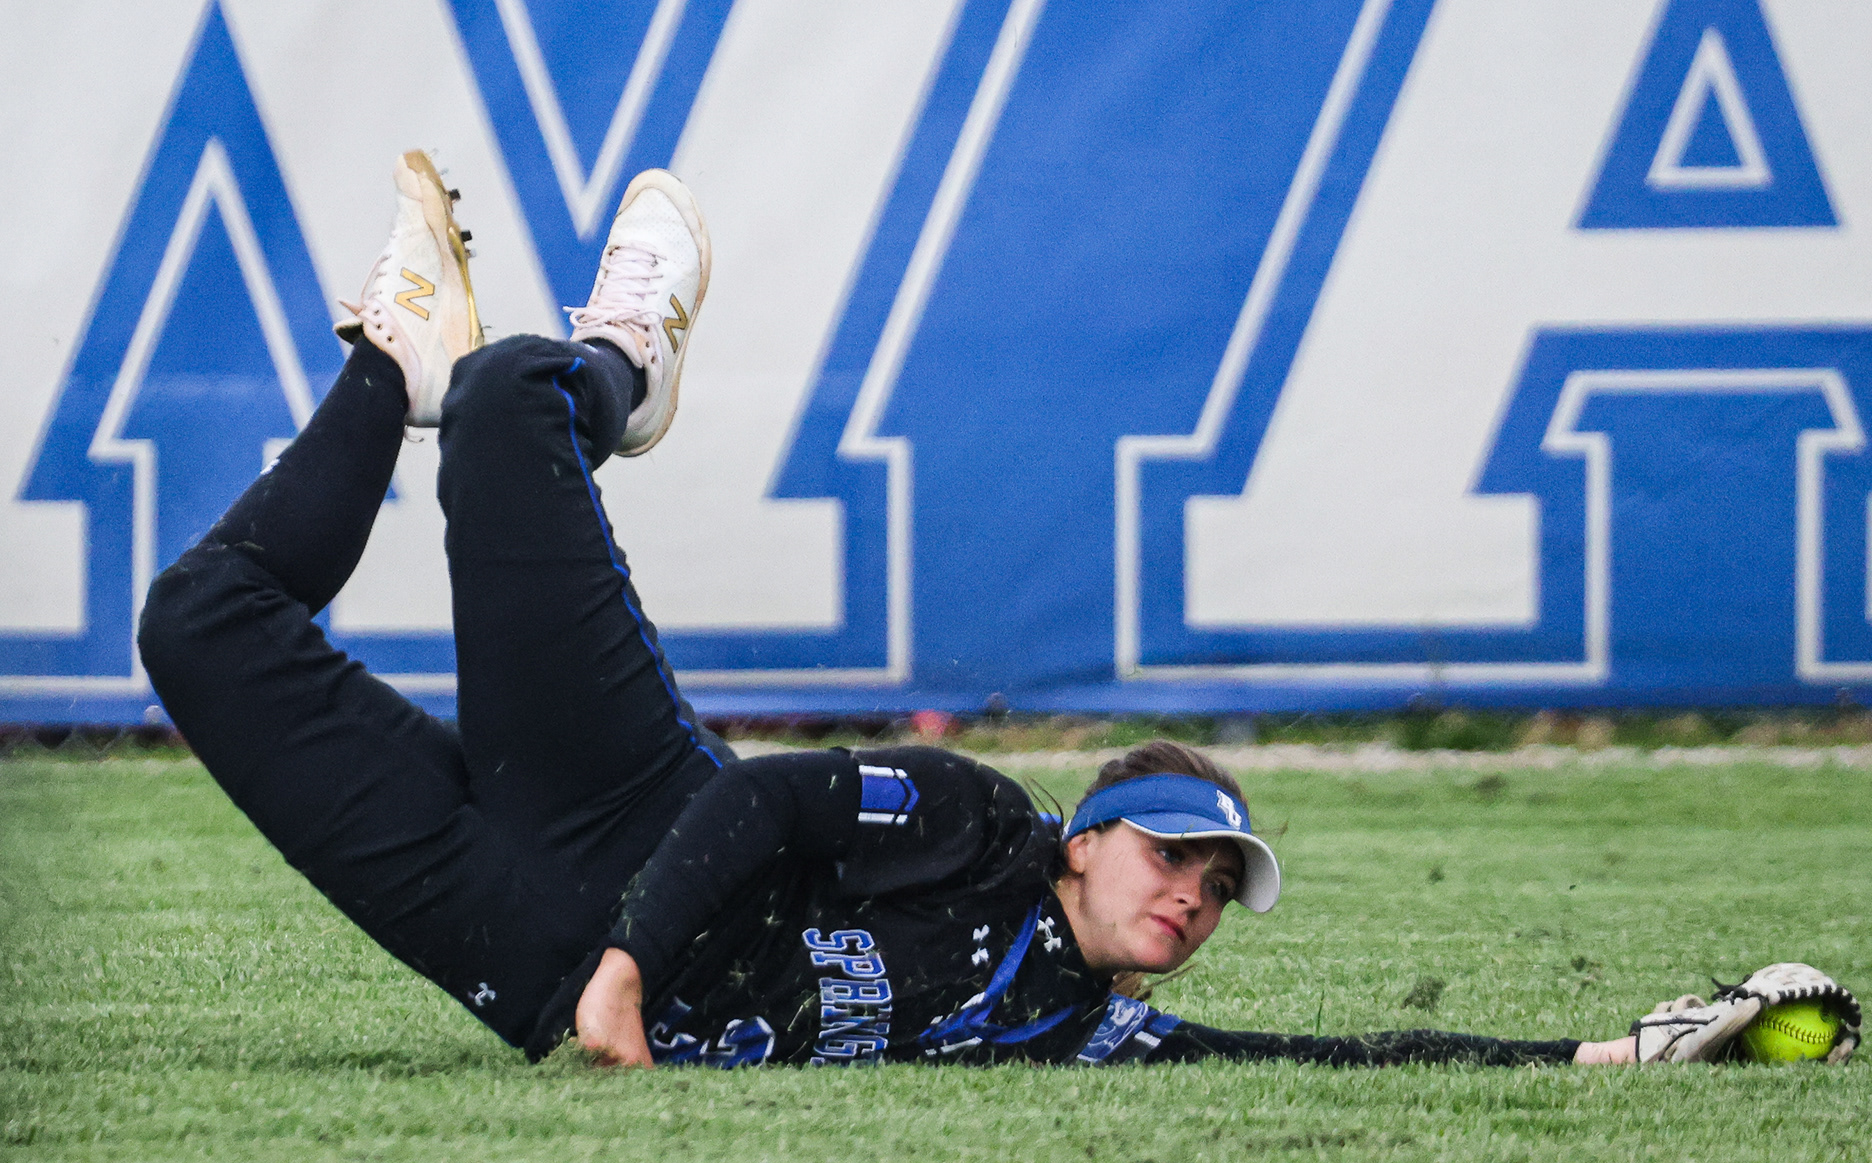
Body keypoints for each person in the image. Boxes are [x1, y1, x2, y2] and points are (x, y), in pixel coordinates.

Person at [136, 152, 1682, 1071]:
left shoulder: (1097, 1037)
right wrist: (633, 969)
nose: (1197, 898)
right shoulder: (985, 822)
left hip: (522, 950)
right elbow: (759, 802)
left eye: (1220, 887)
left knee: (197, 624)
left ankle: (381, 362)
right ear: (1088, 832)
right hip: (630, 806)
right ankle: (622, 362)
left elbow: (1357, 1061)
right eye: (1177, 855)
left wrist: (1609, 1050)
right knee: (506, 399)